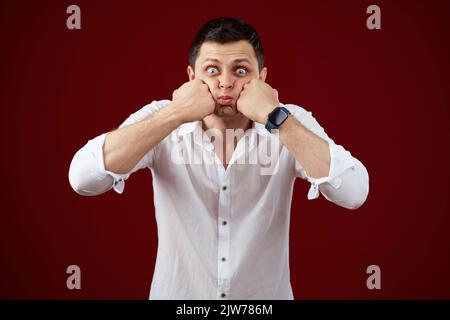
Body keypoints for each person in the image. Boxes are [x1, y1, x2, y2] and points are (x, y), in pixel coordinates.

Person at [68, 17, 369, 300]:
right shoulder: (162, 119)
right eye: (212, 70)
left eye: (240, 70)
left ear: (262, 78)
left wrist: (275, 118)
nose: (225, 82)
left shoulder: (289, 121)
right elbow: (83, 178)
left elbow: (354, 192)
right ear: (191, 77)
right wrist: (175, 114)